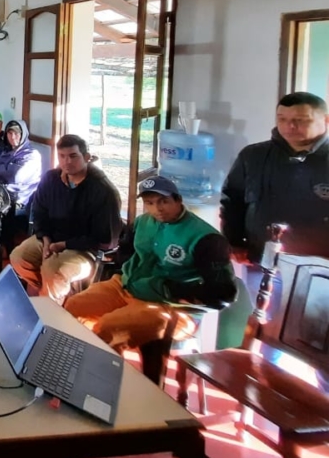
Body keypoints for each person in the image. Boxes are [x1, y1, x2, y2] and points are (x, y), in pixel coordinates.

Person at [66, 177, 237, 350]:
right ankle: (74, 358)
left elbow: (224, 294)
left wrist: (169, 290)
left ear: (178, 200)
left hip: (172, 306)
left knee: (108, 327)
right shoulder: (141, 222)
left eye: (164, 201)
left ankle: (104, 364)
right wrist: (122, 273)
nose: (157, 209)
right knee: (73, 308)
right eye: (149, 203)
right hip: (127, 286)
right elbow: (125, 252)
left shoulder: (206, 238)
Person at [222, 92, 329, 264]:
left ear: (326, 120)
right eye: (282, 119)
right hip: (258, 257)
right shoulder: (253, 155)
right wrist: (233, 242)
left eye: (300, 120)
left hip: (319, 265)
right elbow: (232, 201)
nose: (290, 126)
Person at [12, 134, 121, 303]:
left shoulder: (102, 190)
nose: (67, 162)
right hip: (51, 238)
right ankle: (51, 295)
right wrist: (46, 239)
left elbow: (104, 239)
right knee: (19, 257)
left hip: (86, 249)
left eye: (73, 156)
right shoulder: (51, 179)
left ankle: (49, 308)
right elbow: (39, 213)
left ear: (86, 157)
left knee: (53, 270)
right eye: (62, 156)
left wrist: (64, 245)